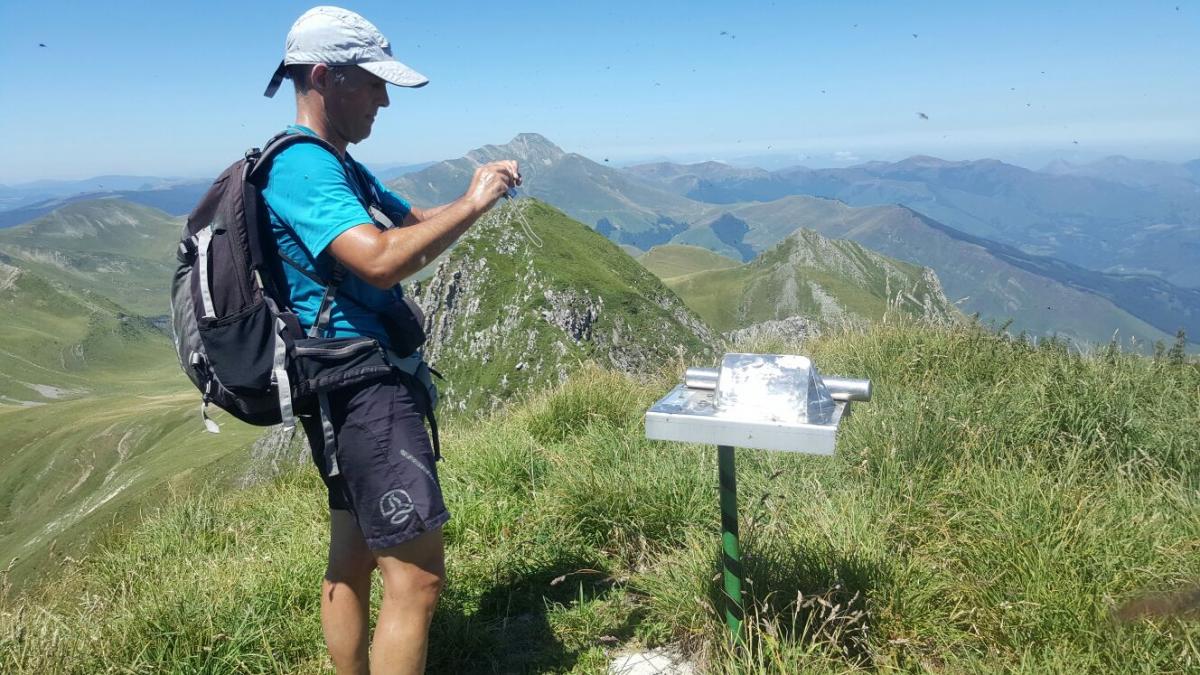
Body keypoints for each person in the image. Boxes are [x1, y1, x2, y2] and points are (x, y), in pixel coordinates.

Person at [260, 7, 519, 674]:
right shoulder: (302, 169)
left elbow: (408, 223)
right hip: (363, 387)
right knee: (418, 581)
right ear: (325, 76)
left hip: (341, 388)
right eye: (373, 83)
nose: (383, 99)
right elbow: (378, 259)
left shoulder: (338, 162)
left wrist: (467, 196)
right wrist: (475, 206)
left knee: (350, 558)